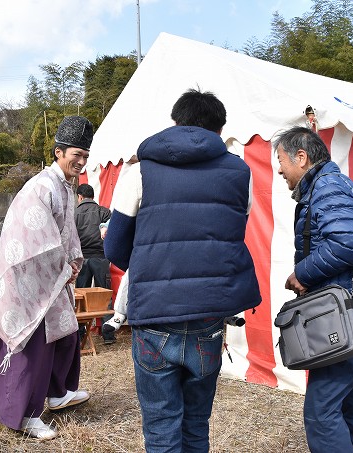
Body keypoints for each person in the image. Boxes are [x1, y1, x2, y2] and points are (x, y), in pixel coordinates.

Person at [104, 88, 261, 452]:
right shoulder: (241, 172)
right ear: (219, 131)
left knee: (161, 425)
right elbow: (230, 235)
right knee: (195, 423)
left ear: (175, 123)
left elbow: (114, 248)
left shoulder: (139, 171)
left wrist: (153, 266)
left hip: (155, 315)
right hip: (208, 315)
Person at [274, 126, 353, 452]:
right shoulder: (331, 185)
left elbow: (349, 241)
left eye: (281, 160)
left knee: (322, 414)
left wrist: (303, 273)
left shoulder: (328, 187)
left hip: (345, 322)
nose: (279, 169)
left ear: (301, 157)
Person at [0, 116, 93, 440]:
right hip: (28, 281)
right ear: (59, 151)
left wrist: (71, 261)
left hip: (51, 277)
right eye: (77, 154)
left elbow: (66, 233)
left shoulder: (62, 186)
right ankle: (22, 415)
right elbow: (36, 241)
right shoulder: (42, 186)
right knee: (32, 346)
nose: (82, 161)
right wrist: (64, 264)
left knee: (66, 333)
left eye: (86, 156)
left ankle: (59, 392)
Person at [74, 183, 114, 344]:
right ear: (92, 196)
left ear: (80, 197)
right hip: (100, 257)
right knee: (104, 294)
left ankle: (80, 332)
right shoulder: (104, 212)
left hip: (81, 258)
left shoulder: (74, 214)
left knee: (80, 296)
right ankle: (108, 334)